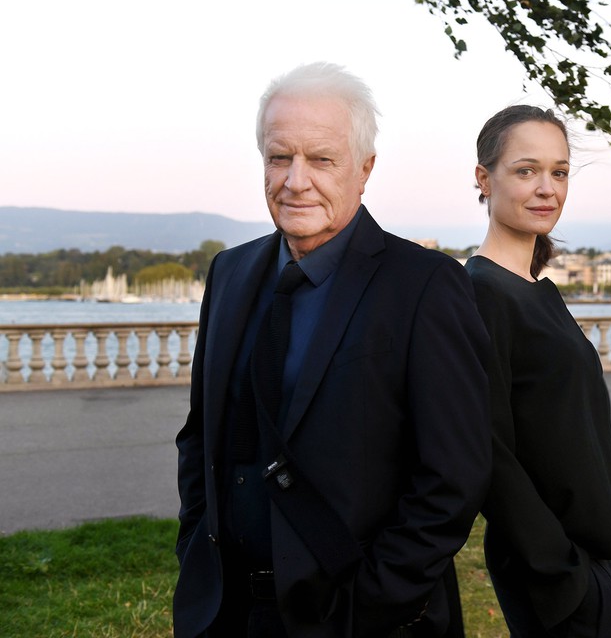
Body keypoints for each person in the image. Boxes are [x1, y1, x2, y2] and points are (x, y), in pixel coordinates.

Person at [173, 62, 491, 638]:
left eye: (321, 159)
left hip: (357, 616)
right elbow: (202, 436)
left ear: (365, 169)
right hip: (225, 613)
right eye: (279, 157)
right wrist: (195, 548)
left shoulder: (423, 285)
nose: (296, 181)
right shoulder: (230, 271)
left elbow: (454, 474)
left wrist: (372, 604)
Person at [464, 105, 611, 637]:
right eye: (526, 170)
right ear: (484, 179)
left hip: (597, 556)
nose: (547, 189)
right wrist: (561, 570)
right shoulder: (481, 294)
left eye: (559, 172)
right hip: (556, 572)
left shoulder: (539, 290)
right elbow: (487, 450)